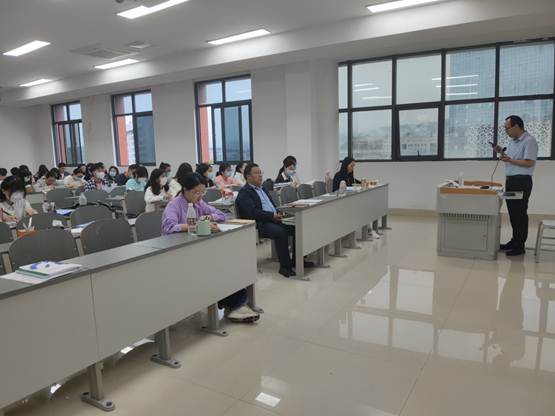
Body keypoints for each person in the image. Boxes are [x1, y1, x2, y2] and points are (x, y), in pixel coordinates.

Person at [161, 172, 260, 323]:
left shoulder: (198, 203)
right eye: (196, 192)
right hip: (178, 253)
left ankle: (235, 304)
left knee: (229, 263)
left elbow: (221, 215)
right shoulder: (174, 205)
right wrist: (196, 225)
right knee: (216, 268)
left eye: (202, 192)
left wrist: (205, 219)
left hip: (198, 249)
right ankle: (235, 305)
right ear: (185, 190)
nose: (199, 196)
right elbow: (169, 228)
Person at [236, 163, 313, 278]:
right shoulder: (245, 192)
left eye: (260, 172)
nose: (260, 175)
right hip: (260, 223)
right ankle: (285, 267)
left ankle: (297, 260)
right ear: (248, 176)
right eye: (256, 173)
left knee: (297, 228)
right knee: (280, 232)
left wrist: (278, 212)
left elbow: (271, 205)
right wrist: (272, 215)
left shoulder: (263, 189)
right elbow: (252, 213)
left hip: (273, 219)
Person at [495, 115, 538, 257]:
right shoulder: (512, 141)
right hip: (511, 181)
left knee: (520, 213)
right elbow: (511, 158)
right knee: (513, 213)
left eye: (507, 128)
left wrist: (510, 160)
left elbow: (529, 162)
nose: (506, 131)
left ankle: (520, 246)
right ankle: (514, 241)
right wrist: (501, 151)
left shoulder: (529, 141)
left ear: (517, 126)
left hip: (522, 181)